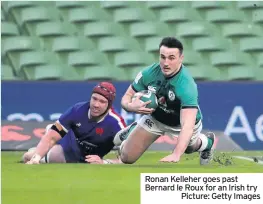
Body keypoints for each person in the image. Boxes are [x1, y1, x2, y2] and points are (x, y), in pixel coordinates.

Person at [116, 36, 215, 165]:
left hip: (181, 124)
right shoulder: (149, 73)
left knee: (189, 148)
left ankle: (208, 142)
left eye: (171, 58)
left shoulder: (187, 85)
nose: (166, 63)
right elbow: (126, 97)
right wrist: (130, 107)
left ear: (181, 58)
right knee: (126, 158)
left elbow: (187, 125)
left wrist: (176, 154)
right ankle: (133, 130)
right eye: (163, 57)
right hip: (156, 118)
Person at [23, 82, 126, 164]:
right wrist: (36, 158)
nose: (96, 104)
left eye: (102, 102)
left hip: (87, 160)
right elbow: (51, 137)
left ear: (109, 105)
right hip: (67, 146)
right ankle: (38, 150)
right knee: (29, 157)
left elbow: (127, 156)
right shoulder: (77, 110)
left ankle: (41, 148)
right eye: (94, 99)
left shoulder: (116, 123)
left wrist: (104, 162)